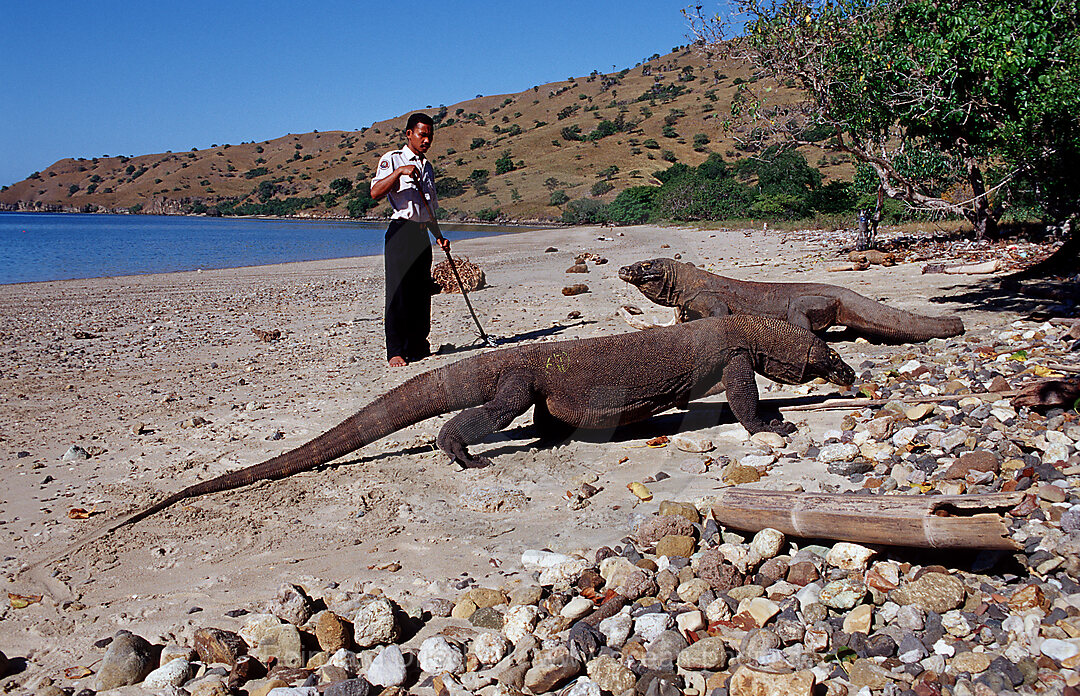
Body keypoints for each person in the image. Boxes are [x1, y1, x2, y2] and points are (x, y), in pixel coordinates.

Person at [370, 112, 450, 368]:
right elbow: (374, 192)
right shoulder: (393, 159)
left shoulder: (428, 167)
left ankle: (418, 346)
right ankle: (395, 350)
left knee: (420, 292)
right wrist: (400, 172)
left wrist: (439, 236)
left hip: (421, 233)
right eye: (422, 134)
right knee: (398, 292)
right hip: (400, 231)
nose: (426, 140)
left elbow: (429, 208)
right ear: (409, 134)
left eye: (430, 136)